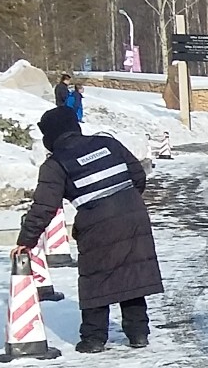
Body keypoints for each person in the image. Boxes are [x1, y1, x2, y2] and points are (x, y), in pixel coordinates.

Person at [14, 108, 163, 352]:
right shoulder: (108, 144)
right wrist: (126, 203)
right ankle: (138, 334)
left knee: (96, 277)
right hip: (133, 215)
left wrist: (26, 240)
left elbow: (44, 206)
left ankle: (94, 339)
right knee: (132, 270)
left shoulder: (55, 164)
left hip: (96, 221)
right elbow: (137, 174)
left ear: (51, 135)